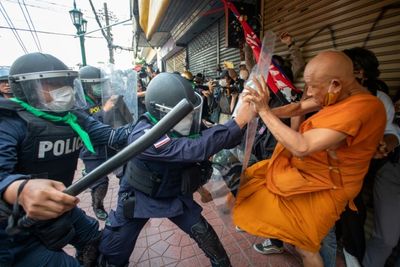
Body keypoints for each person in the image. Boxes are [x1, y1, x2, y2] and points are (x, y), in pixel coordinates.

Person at [232, 51, 386, 267]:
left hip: (330, 184)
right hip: (310, 174)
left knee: (310, 244)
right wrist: (259, 112)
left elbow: (302, 146)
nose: (310, 92)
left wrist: (265, 112)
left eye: (314, 86)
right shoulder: (340, 95)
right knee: (259, 185)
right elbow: (298, 107)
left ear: (335, 84)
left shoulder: (365, 107)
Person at [98, 72, 253, 267]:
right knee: (113, 251)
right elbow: (192, 149)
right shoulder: (144, 135)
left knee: (205, 236)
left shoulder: (186, 126)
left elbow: (215, 138)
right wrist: (237, 122)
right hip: (139, 198)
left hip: (173, 193)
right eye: (184, 113)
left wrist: (242, 119)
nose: (190, 118)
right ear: (163, 112)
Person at [0, 52, 133, 267]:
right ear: (26, 88)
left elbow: (111, 136)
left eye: (66, 82)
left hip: (60, 206)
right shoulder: (8, 122)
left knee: (97, 245)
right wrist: (20, 190)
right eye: (51, 84)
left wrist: (152, 125)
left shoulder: (72, 117)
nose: (64, 89)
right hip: (13, 228)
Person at [78, 65, 118, 220]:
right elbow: (88, 126)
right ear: (86, 86)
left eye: (102, 83)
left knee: (127, 173)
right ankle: (97, 206)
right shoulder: (80, 104)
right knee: (100, 182)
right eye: (97, 84)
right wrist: (105, 110)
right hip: (93, 150)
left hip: (113, 144)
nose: (101, 87)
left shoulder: (106, 98)